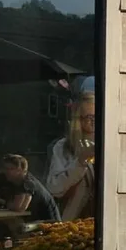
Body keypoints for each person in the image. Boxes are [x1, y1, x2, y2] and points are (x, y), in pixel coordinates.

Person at [47, 76, 95, 221]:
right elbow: (54, 188)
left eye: (97, 117)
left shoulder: (114, 145)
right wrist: (80, 162)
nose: (93, 122)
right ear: (78, 118)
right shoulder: (63, 147)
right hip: (74, 224)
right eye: (89, 117)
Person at [0, 154, 61, 223]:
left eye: (12, 169)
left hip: (47, 220)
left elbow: (19, 207)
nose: (7, 171)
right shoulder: (3, 179)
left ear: (22, 171)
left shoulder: (28, 182)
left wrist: (5, 203)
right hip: (28, 219)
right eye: (6, 168)